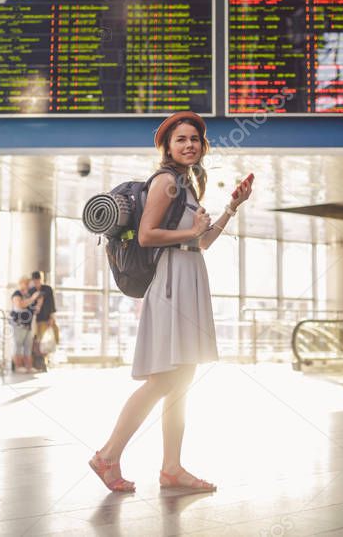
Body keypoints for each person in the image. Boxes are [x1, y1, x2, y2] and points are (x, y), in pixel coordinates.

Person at [88, 111, 254, 493]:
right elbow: (146, 236)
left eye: (194, 138)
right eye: (180, 139)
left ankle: (171, 468)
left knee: (180, 381)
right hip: (171, 286)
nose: (189, 145)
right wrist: (190, 235)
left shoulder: (187, 185)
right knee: (163, 380)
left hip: (187, 279)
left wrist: (231, 207)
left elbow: (203, 242)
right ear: (167, 146)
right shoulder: (166, 182)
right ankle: (107, 455)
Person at [10, 277, 40, 374]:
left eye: (28, 284)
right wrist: (32, 299)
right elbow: (20, 305)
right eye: (25, 283)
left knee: (28, 346)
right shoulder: (17, 294)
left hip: (28, 324)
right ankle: (18, 366)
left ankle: (28, 367)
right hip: (19, 324)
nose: (27, 286)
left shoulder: (28, 295)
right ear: (21, 284)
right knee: (18, 345)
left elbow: (31, 307)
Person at [32, 271, 59, 347]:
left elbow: (51, 304)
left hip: (47, 319)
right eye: (35, 281)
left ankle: (45, 358)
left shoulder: (47, 289)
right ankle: (40, 357)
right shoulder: (32, 291)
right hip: (36, 321)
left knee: (49, 341)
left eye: (38, 281)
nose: (37, 283)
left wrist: (52, 317)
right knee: (38, 342)